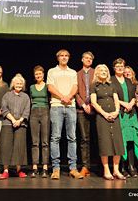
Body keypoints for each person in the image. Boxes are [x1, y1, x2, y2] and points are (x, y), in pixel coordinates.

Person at [47, 49, 83, 180]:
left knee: (72, 137)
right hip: (56, 106)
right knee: (55, 137)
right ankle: (55, 169)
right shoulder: (52, 71)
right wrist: (63, 97)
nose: (64, 57)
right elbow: (50, 87)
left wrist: (69, 97)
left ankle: (73, 168)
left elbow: (75, 87)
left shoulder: (72, 72)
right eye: (61, 56)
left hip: (71, 107)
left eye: (66, 56)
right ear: (57, 58)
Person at [90, 64, 126, 180]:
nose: (104, 72)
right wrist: (104, 114)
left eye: (105, 70)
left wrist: (116, 111)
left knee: (117, 142)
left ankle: (116, 170)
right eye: (101, 70)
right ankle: (107, 170)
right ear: (97, 72)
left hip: (114, 116)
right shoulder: (94, 86)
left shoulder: (112, 85)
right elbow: (94, 103)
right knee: (104, 143)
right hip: (102, 117)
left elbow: (116, 100)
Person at [111, 58, 138, 178]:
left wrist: (131, 103)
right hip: (119, 113)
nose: (120, 68)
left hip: (131, 113)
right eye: (117, 66)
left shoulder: (129, 81)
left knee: (131, 141)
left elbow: (135, 95)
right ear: (114, 68)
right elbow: (111, 96)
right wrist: (124, 104)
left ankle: (131, 166)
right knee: (121, 141)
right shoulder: (111, 80)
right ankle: (121, 167)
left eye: (122, 66)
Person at [0, 73, 30, 180]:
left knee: (19, 147)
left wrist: (19, 121)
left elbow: (27, 111)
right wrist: (13, 120)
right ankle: (5, 171)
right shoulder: (7, 95)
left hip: (21, 124)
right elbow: (4, 109)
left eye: (21, 83)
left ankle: (18, 170)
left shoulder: (26, 96)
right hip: (7, 123)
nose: (19, 85)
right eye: (17, 83)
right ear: (13, 84)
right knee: (6, 147)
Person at [75, 51, 95, 177]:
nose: (88, 60)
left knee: (99, 138)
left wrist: (92, 105)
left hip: (96, 109)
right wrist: (83, 104)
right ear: (82, 60)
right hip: (82, 110)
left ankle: (100, 166)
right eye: (86, 58)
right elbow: (75, 92)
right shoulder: (76, 74)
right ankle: (85, 166)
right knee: (84, 139)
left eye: (90, 59)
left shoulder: (96, 72)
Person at [29, 65, 50, 178]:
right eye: (36, 74)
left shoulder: (47, 86)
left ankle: (45, 167)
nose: (38, 75)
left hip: (45, 112)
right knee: (35, 141)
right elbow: (31, 101)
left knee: (45, 141)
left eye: (40, 74)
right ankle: (35, 167)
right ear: (34, 75)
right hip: (34, 113)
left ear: (43, 74)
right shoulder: (32, 87)